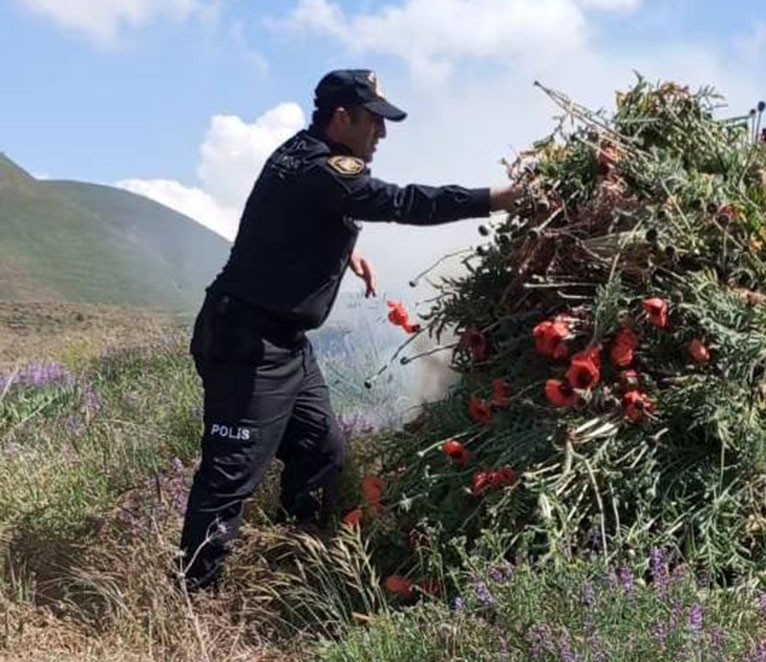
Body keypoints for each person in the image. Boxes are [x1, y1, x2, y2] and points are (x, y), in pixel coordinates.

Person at [177, 68, 521, 592]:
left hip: (285, 343)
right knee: (231, 472)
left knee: (322, 452)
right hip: (247, 342)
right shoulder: (325, 169)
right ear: (342, 118)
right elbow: (402, 202)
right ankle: (192, 596)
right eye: (373, 123)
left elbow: (292, 216)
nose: (380, 135)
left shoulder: (300, 154)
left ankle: (288, 561)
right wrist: (495, 199)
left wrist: (345, 251)